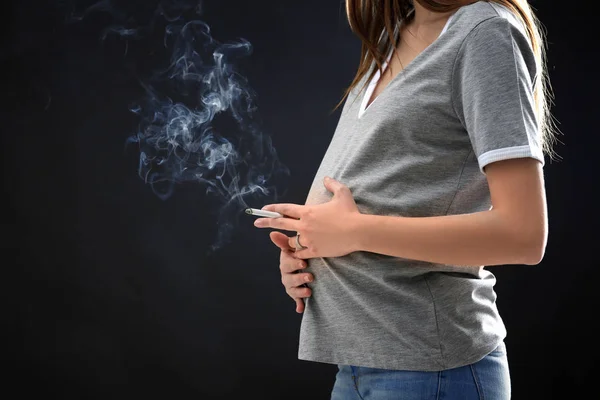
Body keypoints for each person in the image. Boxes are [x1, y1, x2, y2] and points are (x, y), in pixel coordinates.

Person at [253, 0, 558, 398]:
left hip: (431, 370)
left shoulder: (485, 33)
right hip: (358, 368)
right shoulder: (392, 36)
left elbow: (523, 234)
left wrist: (355, 232)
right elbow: (397, 189)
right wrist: (311, 247)